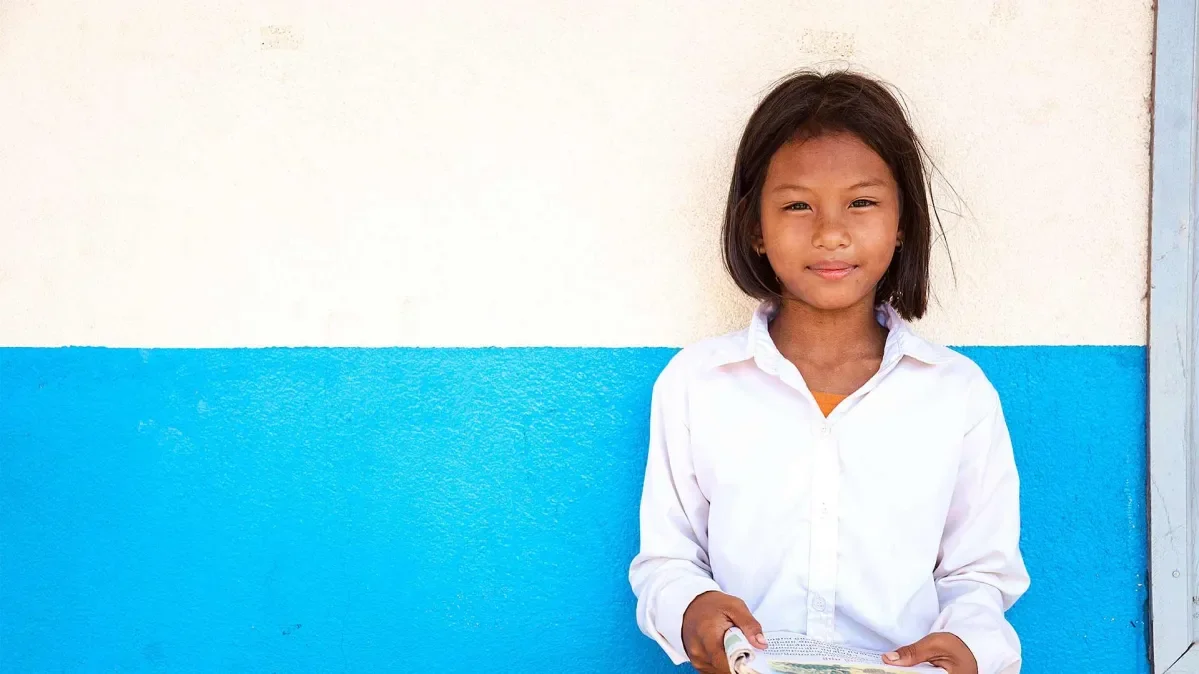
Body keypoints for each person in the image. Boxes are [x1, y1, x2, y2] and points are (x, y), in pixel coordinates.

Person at [628, 70, 1029, 674]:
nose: (831, 233)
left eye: (862, 202)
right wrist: (692, 607)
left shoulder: (956, 393)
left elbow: (978, 573)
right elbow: (668, 559)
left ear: (902, 225)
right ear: (755, 228)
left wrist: (971, 645)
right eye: (796, 205)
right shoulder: (696, 384)